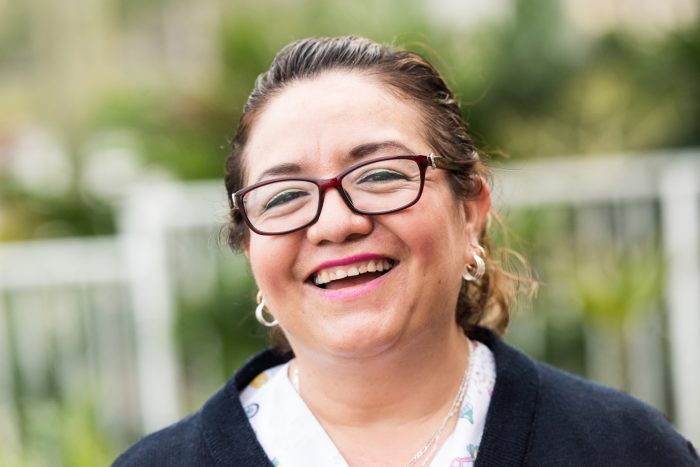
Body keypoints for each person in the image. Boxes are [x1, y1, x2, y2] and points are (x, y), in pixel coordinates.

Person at [113, 36, 699, 467]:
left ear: (470, 210)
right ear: (248, 247)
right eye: (285, 195)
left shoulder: (625, 449)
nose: (336, 223)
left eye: (381, 175)